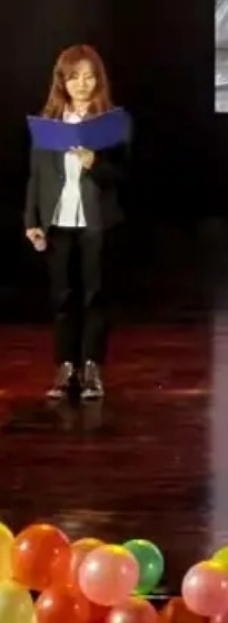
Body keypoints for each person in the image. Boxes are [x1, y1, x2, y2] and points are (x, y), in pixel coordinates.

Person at [22, 45, 129, 401]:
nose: (82, 84)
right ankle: (66, 368)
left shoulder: (112, 122)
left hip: (98, 221)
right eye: (74, 77)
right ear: (62, 81)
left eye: (89, 76)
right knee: (63, 297)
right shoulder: (48, 123)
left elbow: (125, 175)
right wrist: (32, 219)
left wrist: (94, 163)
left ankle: (92, 369)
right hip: (59, 221)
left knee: (96, 295)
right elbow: (36, 175)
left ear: (98, 80)